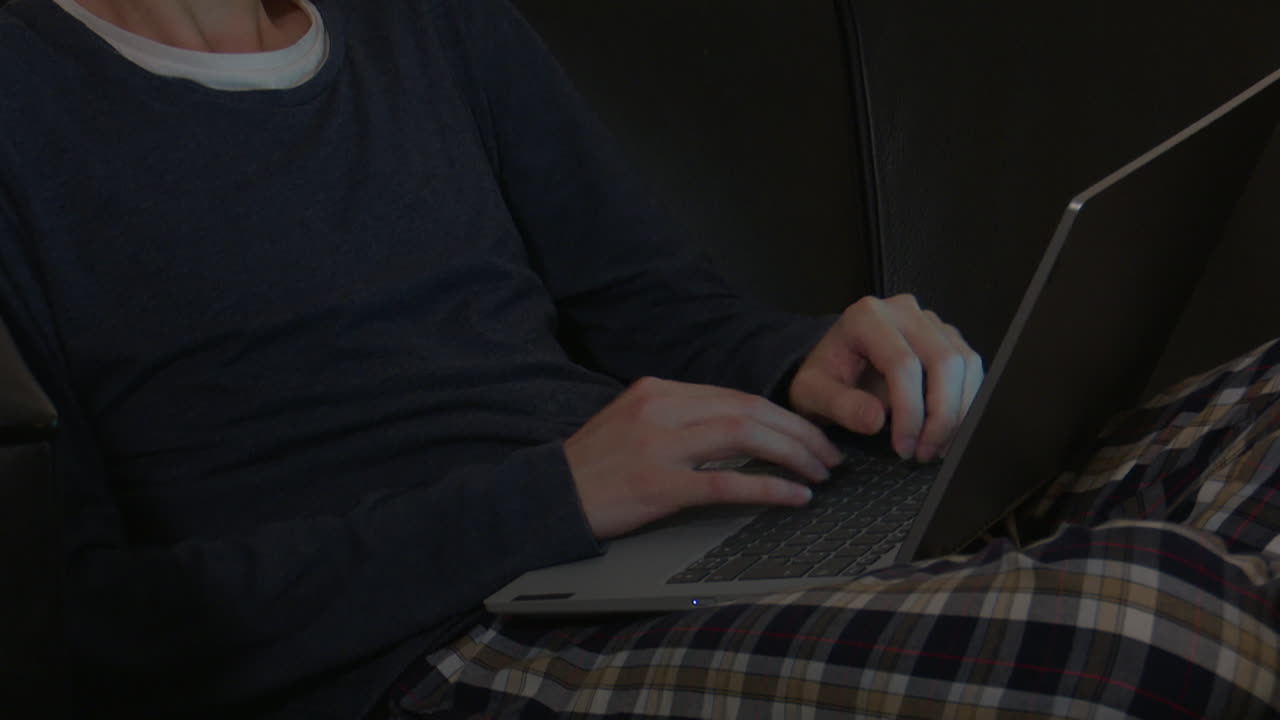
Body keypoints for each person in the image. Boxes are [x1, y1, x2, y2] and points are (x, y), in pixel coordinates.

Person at [0, 0, 1273, 718]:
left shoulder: (429, 24)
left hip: (675, 536)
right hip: (441, 646)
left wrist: (808, 361)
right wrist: (550, 498)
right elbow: (92, 632)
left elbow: (655, 302)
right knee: (1162, 628)